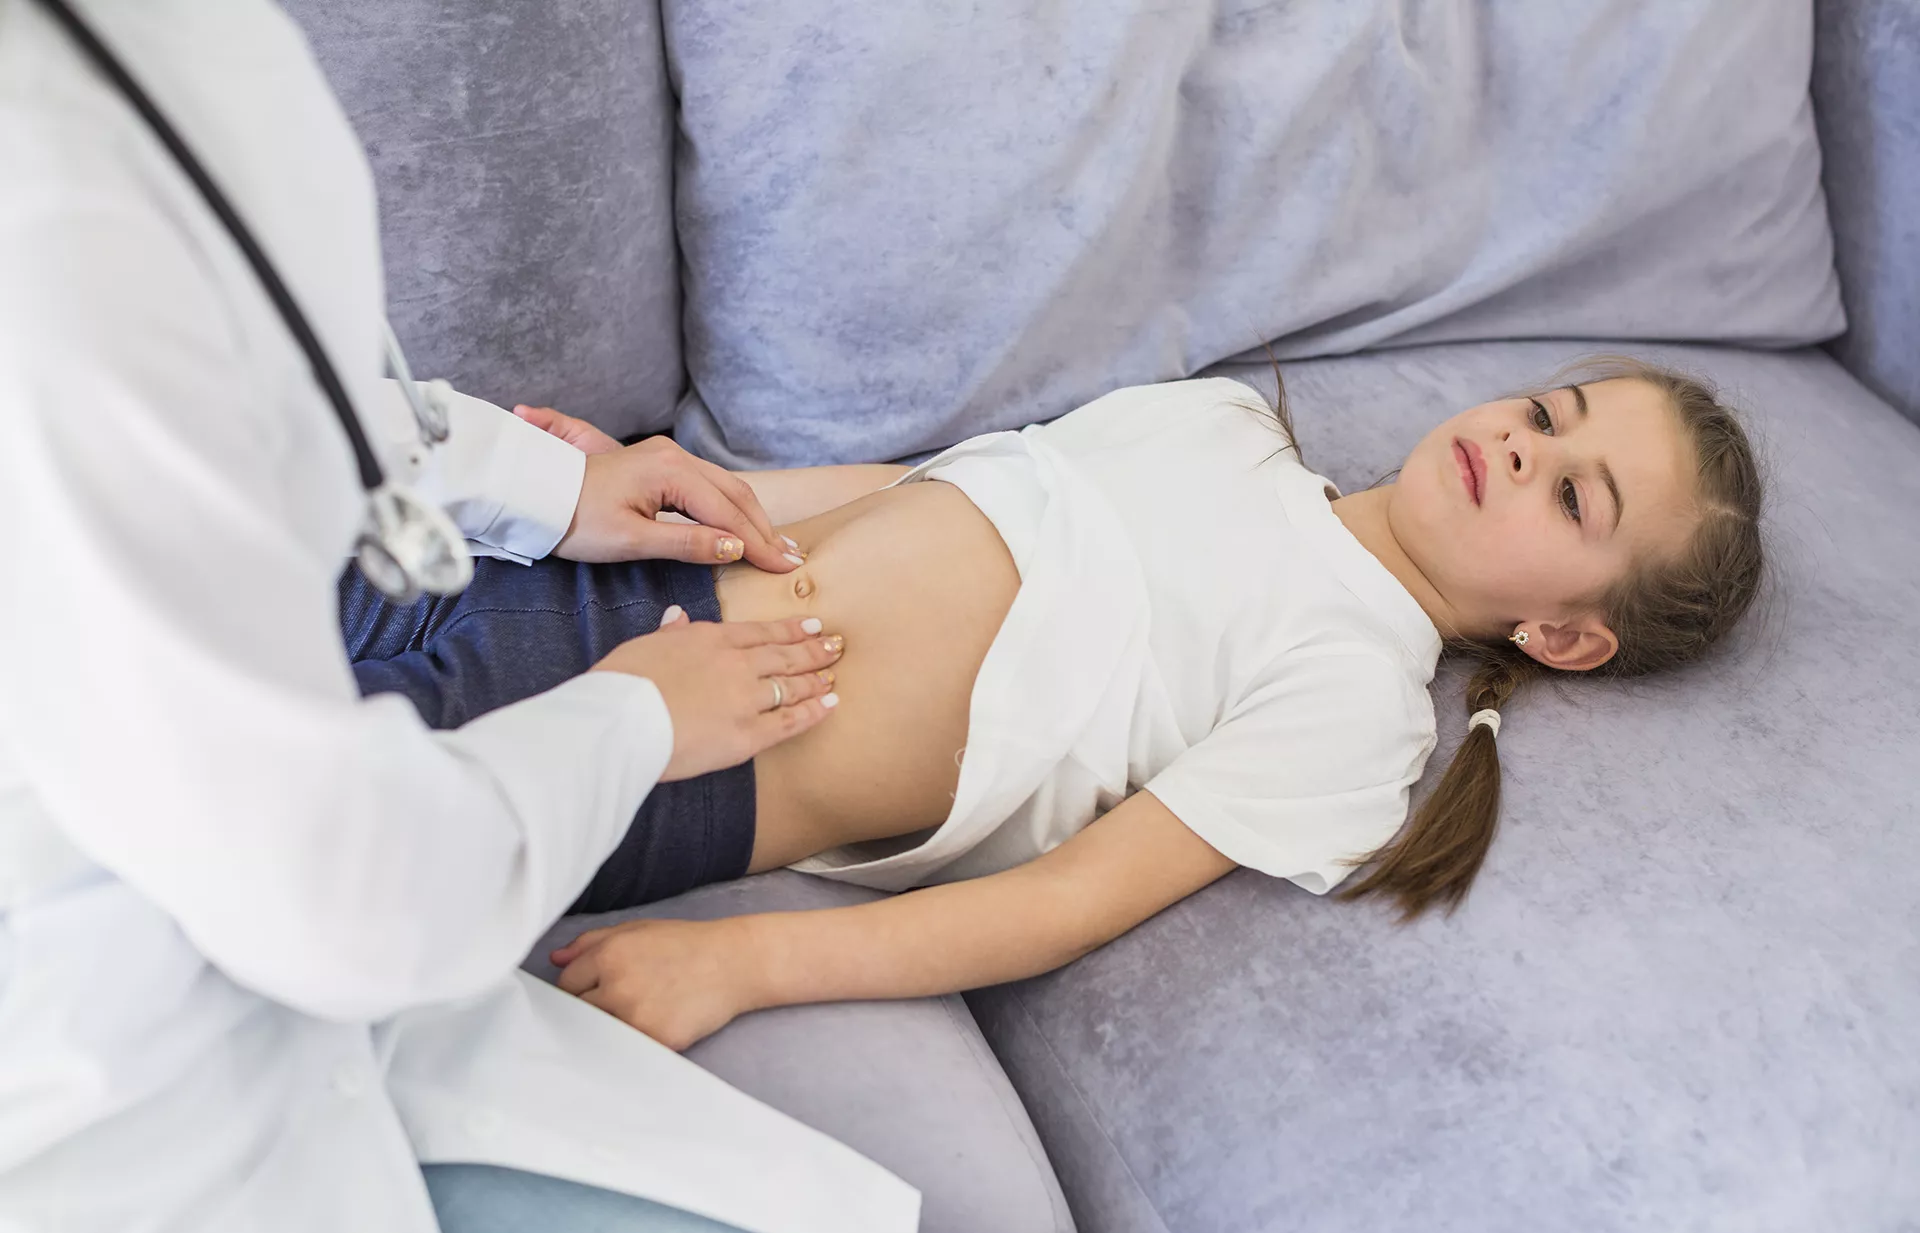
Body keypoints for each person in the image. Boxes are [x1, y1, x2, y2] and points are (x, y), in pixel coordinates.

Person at [0, 3, 919, 1233]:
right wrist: (632, 719)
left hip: (304, 962)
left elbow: (244, 374)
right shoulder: (50, 218)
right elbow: (337, 897)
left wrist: (543, 483)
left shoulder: (162, 50)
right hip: (126, 1124)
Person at [340, 358, 1765, 1052]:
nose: (1519, 447)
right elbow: (925, 489)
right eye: (1549, 412)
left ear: (1562, 635)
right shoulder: (1222, 421)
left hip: (675, 763)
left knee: (305, 823)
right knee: (246, 609)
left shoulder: (1356, 704)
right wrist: (644, 489)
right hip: (580, 567)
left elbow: (1069, 900)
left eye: (1572, 495)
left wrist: (743, 965)